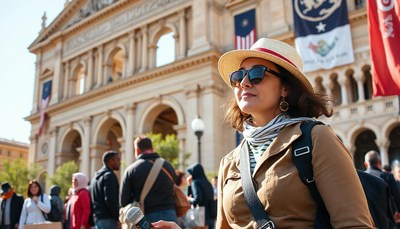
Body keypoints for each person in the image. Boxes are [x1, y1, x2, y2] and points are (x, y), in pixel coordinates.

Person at [216, 37, 375, 228]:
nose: (244, 83)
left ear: (285, 88)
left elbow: (354, 224)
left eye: (257, 74)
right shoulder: (229, 162)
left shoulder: (316, 138)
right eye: (238, 76)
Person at [120, 135, 177, 223]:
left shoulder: (131, 170)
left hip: (147, 216)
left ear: (137, 150)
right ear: (152, 148)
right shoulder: (168, 166)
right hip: (171, 214)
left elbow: (124, 201)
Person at [364, 150, 400, 223]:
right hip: (388, 220)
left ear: (366, 164)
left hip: (369, 220)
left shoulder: (360, 178)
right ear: (379, 162)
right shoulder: (388, 176)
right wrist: (398, 211)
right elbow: (397, 196)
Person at [90, 150, 121, 229]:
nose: (120, 162)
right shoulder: (109, 176)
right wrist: (117, 217)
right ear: (111, 161)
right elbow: (110, 199)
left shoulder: (95, 178)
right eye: (118, 160)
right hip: (108, 219)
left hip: (97, 219)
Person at [186, 163, 216, 229]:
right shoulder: (208, 183)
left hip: (201, 217)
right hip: (211, 215)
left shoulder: (196, 182)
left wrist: (189, 199)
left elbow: (197, 199)